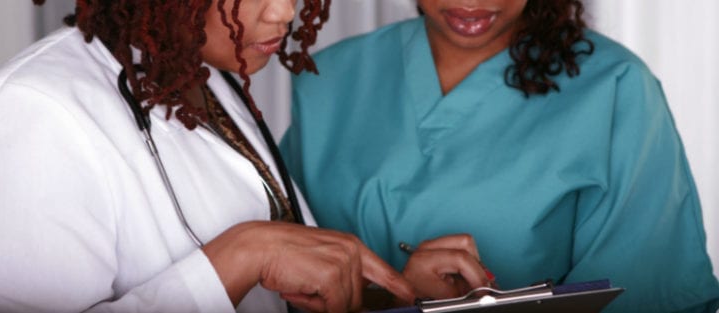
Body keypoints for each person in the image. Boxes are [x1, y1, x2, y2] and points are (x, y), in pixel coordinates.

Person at [0, 1, 417, 312]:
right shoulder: (31, 108)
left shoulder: (202, 74)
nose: (284, 12)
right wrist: (240, 256)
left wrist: (393, 296)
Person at [281, 0, 719, 312]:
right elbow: (274, 279)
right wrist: (394, 296)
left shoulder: (616, 87)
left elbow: (649, 296)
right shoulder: (326, 79)